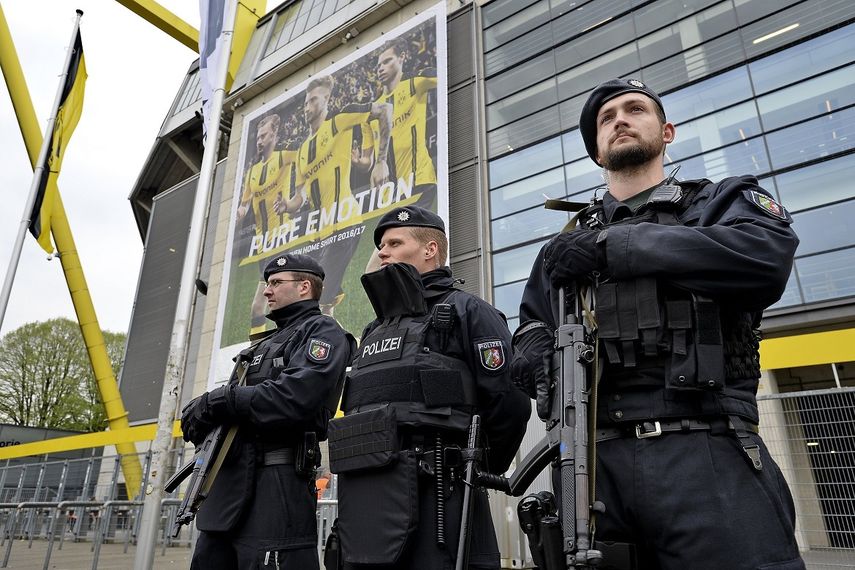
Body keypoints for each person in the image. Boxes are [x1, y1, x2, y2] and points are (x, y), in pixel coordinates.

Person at [512, 78, 805, 570]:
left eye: (634, 110)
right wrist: (536, 357)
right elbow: (531, 324)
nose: (620, 120)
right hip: (591, 464)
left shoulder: (718, 202)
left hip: (706, 449)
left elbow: (765, 260)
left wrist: (614, 248)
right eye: (607, 119)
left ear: (666, 131)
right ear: (597, 152)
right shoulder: (565, 246)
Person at [329, 205, 531, 570]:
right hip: (367, 500)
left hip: (441, 491)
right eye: (380, 246)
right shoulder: (376, 328)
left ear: (430, 249)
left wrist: (477, 465)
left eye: (393, 242)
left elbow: (509, 399)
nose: (382, 253)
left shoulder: (468, 311)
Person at [181, 253, 356, 570]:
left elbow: (295, 397)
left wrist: (220, 400)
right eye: (268, 283)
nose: (266, 291)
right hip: (227, 491)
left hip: (276, 488)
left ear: (304, 287)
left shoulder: (323, 332)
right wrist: (203, 413)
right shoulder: (262, 345)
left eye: (276, 282)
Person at [283, 75, 393, 316]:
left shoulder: (338, 122)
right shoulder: (302, 151)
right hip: (317, 235)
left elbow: (384, 109)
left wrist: (380, 161)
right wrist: (287, 205)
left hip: (344, 224)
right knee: (316, 305)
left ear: (327, 99)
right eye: (305, 102)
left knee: (317, 303)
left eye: (312, 100)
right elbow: (300, 197)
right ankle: (341, 348)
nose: (306, 107)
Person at [235, 113, 298, 335]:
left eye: (263, 136)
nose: (260, 141)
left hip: (284, 239)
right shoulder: (252, 173)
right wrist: (240, 213)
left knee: (284, 302)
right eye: (258, 137)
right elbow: (244, 204)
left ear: (275, 134)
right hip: (264, 247)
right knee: (257, 308)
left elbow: (309, 160)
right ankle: (255, 358)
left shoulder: (284, 157)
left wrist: (295, 199)